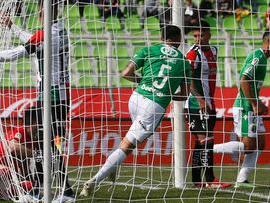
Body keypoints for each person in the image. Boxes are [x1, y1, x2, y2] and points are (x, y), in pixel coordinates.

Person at [79, 24, 191, 197]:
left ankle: (112, 166)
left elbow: (126, 73)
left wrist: (143, 82)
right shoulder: (184, 62)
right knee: (127, 145)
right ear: (179, 40)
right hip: (154, 105)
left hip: (136, 98)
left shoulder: (148, 50)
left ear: (162, 38)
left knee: (129, 142)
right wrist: (166, 94)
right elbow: (184, 96)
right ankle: (94, 180)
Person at [0, 0, 74, 202]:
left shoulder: (47, 34)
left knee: (45, 145)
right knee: (45, 145)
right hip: (59, 95)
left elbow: (15, 54)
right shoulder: (60, 31)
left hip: (51, 96)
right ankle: (50, 191)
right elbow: (35, 40)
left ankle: (53, 192)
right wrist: (13, 27)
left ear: (44, 11)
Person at [213, 31, 270, 188]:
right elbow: (244, 80)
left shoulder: (263, 59)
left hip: (251, 106)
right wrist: (254, 103)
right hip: (244, 107)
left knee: (260, 143)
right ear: (269, 41)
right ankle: (207, 149)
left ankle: (242, 179)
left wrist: (257, 102)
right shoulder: (257, 57)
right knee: (249, 145)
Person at [185, 21, 231, 189]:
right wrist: (199, 99)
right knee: (206, 139)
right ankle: (210, 179)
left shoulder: (214, 50)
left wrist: (207, 100)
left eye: (201, 35)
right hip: (195, 103)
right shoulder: (192, 54)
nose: (197, 39)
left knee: (200, 141)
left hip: (209, 102)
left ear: (209, 34)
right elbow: (186, 79)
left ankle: (197, 180)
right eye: (195, 36)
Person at [0, 108, 39, 200]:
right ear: (32, 122)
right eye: (39, 123)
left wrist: (31, 184)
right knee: (7, 173)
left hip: (2, 176)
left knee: (28, 186)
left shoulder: (32, 139)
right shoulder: (20, 131)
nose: (41, 126)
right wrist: (36, 154)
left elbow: (25, 166)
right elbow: (13, 147)